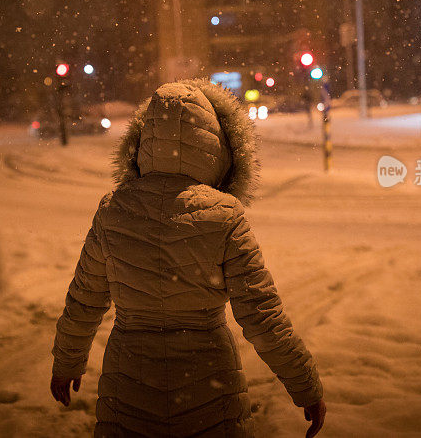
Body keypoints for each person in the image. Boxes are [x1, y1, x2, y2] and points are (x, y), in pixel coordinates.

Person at [51, 79, 326, 437]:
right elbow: (262, 316)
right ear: (214, 146)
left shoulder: (114, 212)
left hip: (130, 382)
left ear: (142, 142)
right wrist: (304, 385)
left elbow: (84, 301)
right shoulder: (226, 216)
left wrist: (67, 361)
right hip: (209, 385)